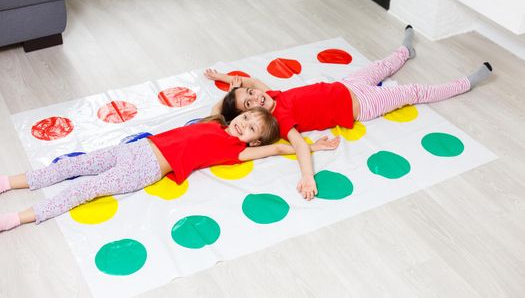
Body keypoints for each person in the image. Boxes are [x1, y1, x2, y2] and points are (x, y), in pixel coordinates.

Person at [204, 26, 493, 201]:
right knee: (414, 92)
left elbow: (252, 82)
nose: (256, 96)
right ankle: (464, 84)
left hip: (348, 85)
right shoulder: (279, 122)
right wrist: (308, 177)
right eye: (248, 104)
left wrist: (227, 80)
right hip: (364, 104)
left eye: (252, 94)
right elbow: (301, 148)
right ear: (250, 116)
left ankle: (404, 52)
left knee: (381, 66)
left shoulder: (271, 96)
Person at [0, 107, 341, 232]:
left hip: (145, 169)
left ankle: (18, 218)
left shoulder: (235, 151)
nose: (244, 125)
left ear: (252, 143)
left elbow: (282, 146)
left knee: (82, 190)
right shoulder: (215, 120)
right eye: (246, 118)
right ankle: (8, 182)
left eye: (251, 129)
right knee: (73, 165)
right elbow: (237, 96)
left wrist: (312, 148)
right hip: (134, 148)